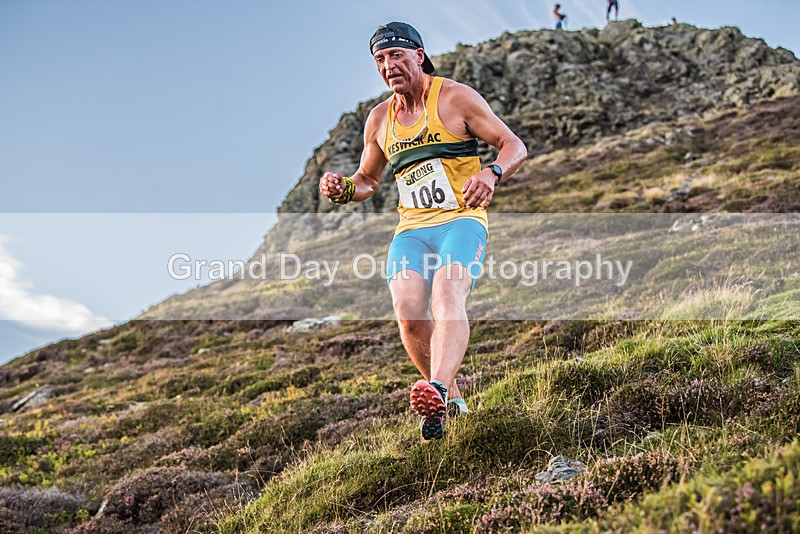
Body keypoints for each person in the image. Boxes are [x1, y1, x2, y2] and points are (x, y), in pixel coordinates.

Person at [319, 22, 526, 440]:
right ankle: (449, 399)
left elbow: (513, 144)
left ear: (418, 55)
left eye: (396, 55)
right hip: (412, 228)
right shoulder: (379, 119)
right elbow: (369, 180)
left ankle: (436, 388)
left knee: (447, 294)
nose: (388, 66)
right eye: (379, 60)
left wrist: (491, 172)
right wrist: (345, 189)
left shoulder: (454, 98)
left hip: (461, 220)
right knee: (408, 312)